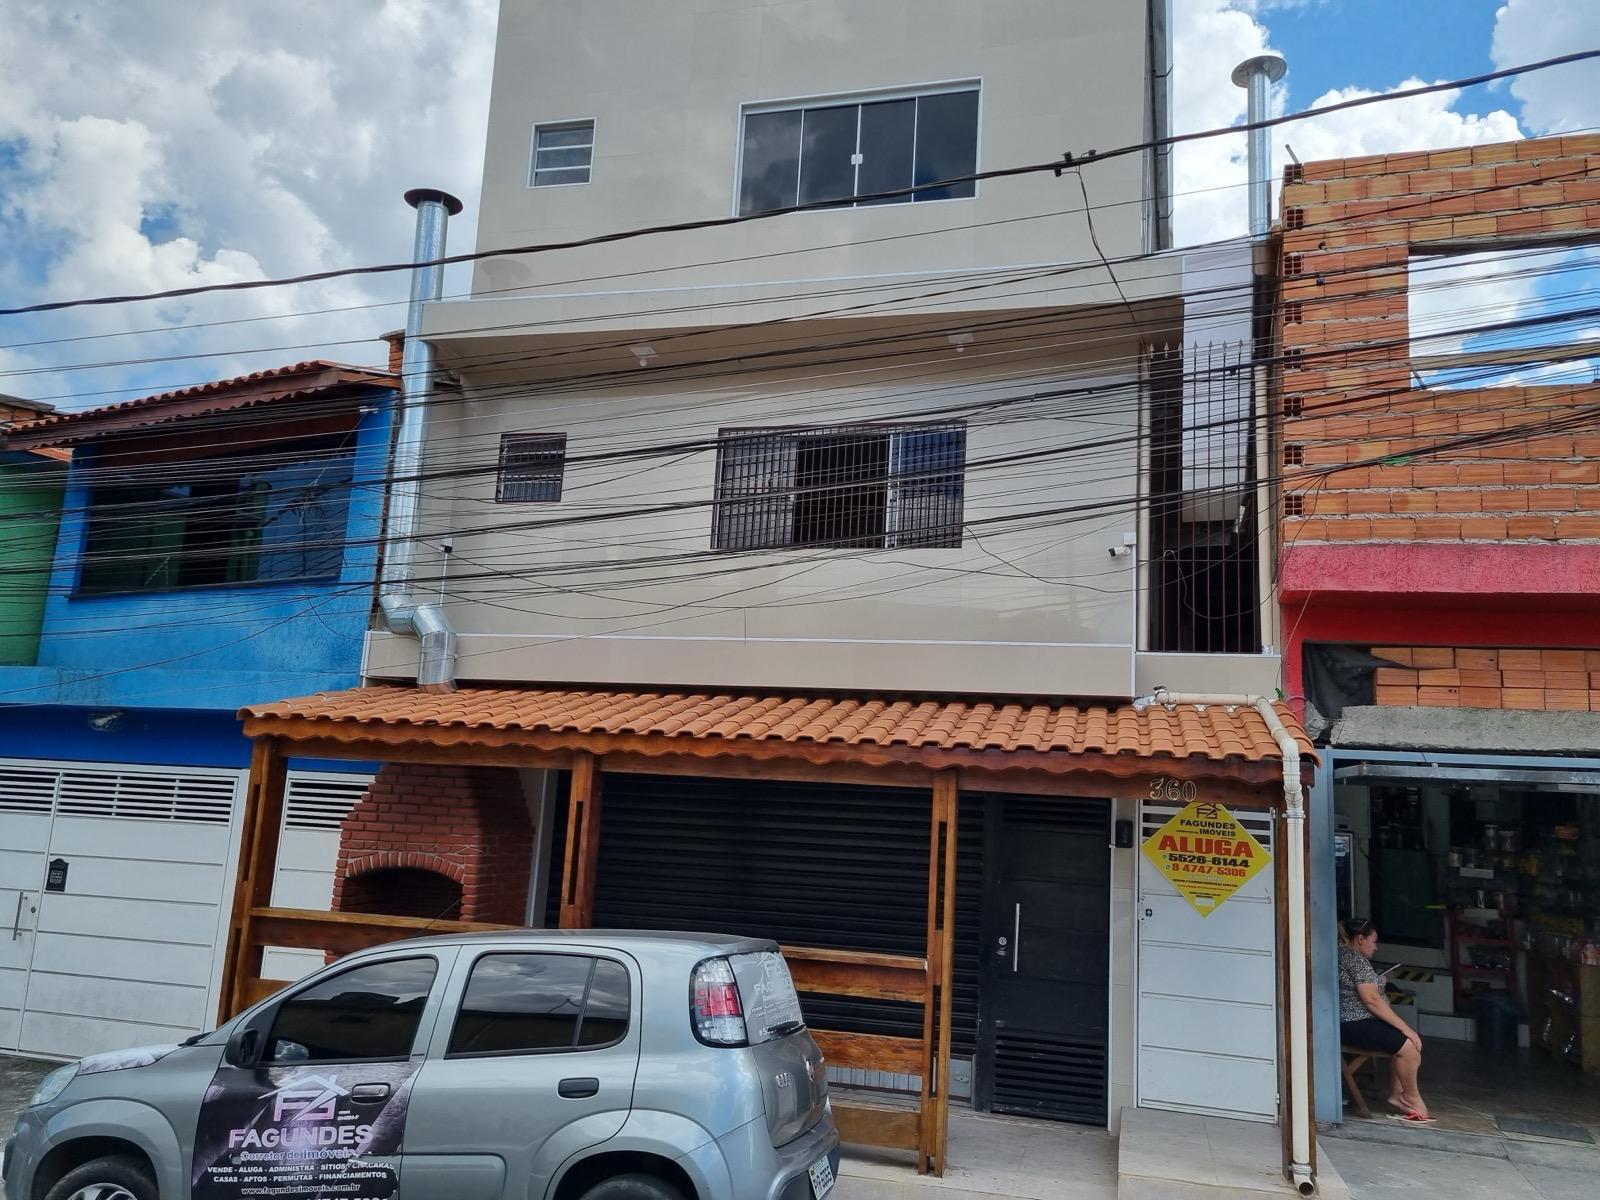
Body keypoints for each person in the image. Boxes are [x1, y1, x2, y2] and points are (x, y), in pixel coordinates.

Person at [1339, 917, 1431, 1122]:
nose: (1376, 947)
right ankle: (1409, 1098)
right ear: (1360, 939)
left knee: (1403, 1041)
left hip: (1349, 1022)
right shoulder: (1355, 960)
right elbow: (1371, 1000)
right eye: (1373, 941)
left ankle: (1398, 1095)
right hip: (1354, 1022)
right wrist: (1406, 1028)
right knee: (1410, 1046)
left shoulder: (1343, 955)